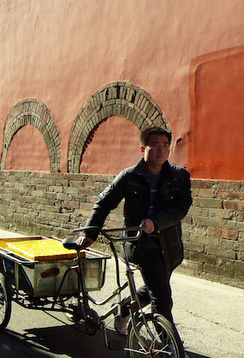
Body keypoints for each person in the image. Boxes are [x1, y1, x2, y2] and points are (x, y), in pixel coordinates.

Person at [77, 126, 192, 345]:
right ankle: (170, 349)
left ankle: (122, 313)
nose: (161, 150)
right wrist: (90, 232)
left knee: (153, 288)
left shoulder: (179, 176)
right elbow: (104, 203)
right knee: (162, 298)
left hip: (169, 245)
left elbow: (182, 207)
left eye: (165, 145)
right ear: (143, 148)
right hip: (140, 244)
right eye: (155, 145)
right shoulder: (129, 177)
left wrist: (155, 222)